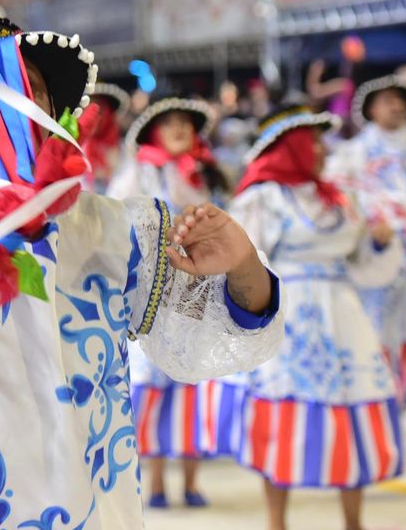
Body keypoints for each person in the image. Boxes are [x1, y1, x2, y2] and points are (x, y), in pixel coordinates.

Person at [0, 15, 283, 528]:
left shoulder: (118, 229)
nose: (21, 104)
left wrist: (243, 265)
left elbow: (213, 333)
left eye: (32, 87)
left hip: (92, 509)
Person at [223, 105, 405, 530]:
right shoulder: (261, 200)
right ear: (290, 147)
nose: (323, 150)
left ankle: (353, 521)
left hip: (342, 311)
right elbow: (243, 264)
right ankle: (276, 521)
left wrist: (378, 244)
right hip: (288, 313)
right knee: (280, 415)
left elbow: (363, 265)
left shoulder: (340, 198)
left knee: (350, 406)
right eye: (313, 142)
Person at [107, 96, 230, 509]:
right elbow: (116, 223)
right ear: (153, 133)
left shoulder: (205, 174)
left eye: (185, 123)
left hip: (199, 295)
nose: (179, 129)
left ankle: (191, 482)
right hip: (153, 296)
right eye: (170, 123)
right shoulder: (138, 174)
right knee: (152, 390)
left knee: (195, 382)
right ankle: (156, 484)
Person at [327, 75, 406, 399]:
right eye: (387, 100)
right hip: (375, 255)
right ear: (371, 109)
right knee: (375, 329)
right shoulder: (352, 152)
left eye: (400, 100)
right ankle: (380, 400)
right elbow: (341, 199)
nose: (396, 106)